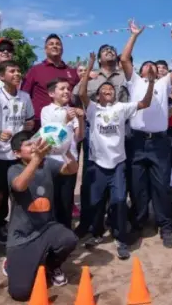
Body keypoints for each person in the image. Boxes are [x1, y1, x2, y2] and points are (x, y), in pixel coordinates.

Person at [78, 52, 155, 259]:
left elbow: (145, 103)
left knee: (120, 201)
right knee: (95, 202)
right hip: (97, 164)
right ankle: (95, 233)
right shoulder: (93, 109)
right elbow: (82, 94)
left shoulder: (121, 107)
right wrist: (89, 67)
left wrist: (152, 82)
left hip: (117, 164)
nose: (107, 91)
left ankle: (121, 238)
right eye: (103, 90)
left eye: (110, 89)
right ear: (98, 96)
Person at [119, 21, 172, 248]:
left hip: (159, 143)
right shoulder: (134, 81)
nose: (149, 67)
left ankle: (166, 226)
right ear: (140, 71)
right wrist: (134, 36)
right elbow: (124, 59)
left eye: (153, 65)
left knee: (161, 187)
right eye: (145, 65)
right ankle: (138, 226)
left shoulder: (164, 83)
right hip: (137, 142)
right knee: (137, 188)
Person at [6, 132, 79, 301]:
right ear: (17, 153)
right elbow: (19, 185)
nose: (33, 146)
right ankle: (12, 262)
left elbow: (72, 169)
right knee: (20, 293)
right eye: (27, 145)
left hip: (47, 229)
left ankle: (51, 266)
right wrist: (36, 159)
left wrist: (66, 150)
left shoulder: (47, 164)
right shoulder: (14, 169)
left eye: (33, 143)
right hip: (21, 237)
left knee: (69, 239)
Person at [0, 60, 35, 270]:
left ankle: (19, 240)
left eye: (19, 70)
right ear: (1, 76)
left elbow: (29, 121)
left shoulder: (25, 97)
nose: (17, 73)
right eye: (12, 70)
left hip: (19, 157)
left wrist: (29, 126)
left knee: (21, 199)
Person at [72, 43, 128, 237]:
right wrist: (87, 75)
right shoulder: (92, 76)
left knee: (117, 180)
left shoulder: (124, 76)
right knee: (91, 179)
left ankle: (115, 222)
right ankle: (89, 223)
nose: (110, 51)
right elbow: (76, 95)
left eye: (112, 49)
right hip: (94, 133)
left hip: (118, 134)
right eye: (105, 50)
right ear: (99, 57)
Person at [39, 78, 85, 230]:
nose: (67, 91)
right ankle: (51, 234)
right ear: (52, 93)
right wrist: (66, 120)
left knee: (66, 200)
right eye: (62, 89)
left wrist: (80, 118)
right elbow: (50, 139)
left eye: (68, 88)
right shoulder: (46, 111)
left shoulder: (71, 109)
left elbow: (79, 137)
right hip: (51, 162)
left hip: (69, 162)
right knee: (52, 199)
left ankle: (65, 235)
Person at [22, 34, 81, 130]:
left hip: (68, 124)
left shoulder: (71, 72)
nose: (55, 46)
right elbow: (24, 95)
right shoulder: (35, 70)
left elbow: (78, 95)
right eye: (51, 44)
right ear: (45, 49)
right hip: (39, 124)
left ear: (62, 49)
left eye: (58, 44)